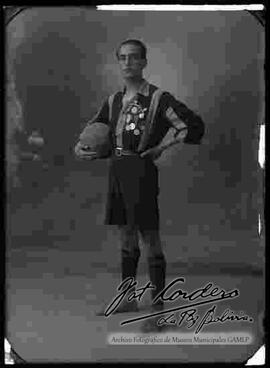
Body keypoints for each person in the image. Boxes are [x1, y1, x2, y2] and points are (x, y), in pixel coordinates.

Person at [75, 39, 205, 332]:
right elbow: (97, 133)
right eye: (122, 58)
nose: (128, 63)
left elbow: (192, 125)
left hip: (141, 171)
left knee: (149, 237)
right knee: (125, 236)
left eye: (134, 58)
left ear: (144, 62)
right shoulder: (113, 101)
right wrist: (81, 149)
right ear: (118, 62)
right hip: (118, 170)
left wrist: (164, 145)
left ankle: (158, 309)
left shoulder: (158, 98)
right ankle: (128, 298)